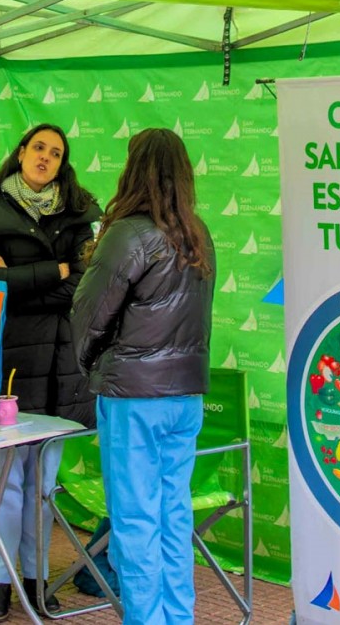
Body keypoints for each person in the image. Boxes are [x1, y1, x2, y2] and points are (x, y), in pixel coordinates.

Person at [70, 128, 215, 625]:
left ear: (134, 169)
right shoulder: (199, 233)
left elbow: (88, 315)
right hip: (186, 395)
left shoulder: (127, 233)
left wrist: (90, 364)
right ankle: (179, 618)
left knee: (134, 520)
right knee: (174, 514)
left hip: (134, 396)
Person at [0, 122, 100, 621]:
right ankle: (0, 581)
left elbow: (83, 284)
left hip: (60, 364)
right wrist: (56, 271)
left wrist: (23, 279)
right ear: (22, 152)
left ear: (63, 164)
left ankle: (36, 575)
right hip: (5, 362)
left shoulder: (79, 214)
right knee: (6, 479)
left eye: (56, 153)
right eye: (38, 147)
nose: (45, 157)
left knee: (43, 482)